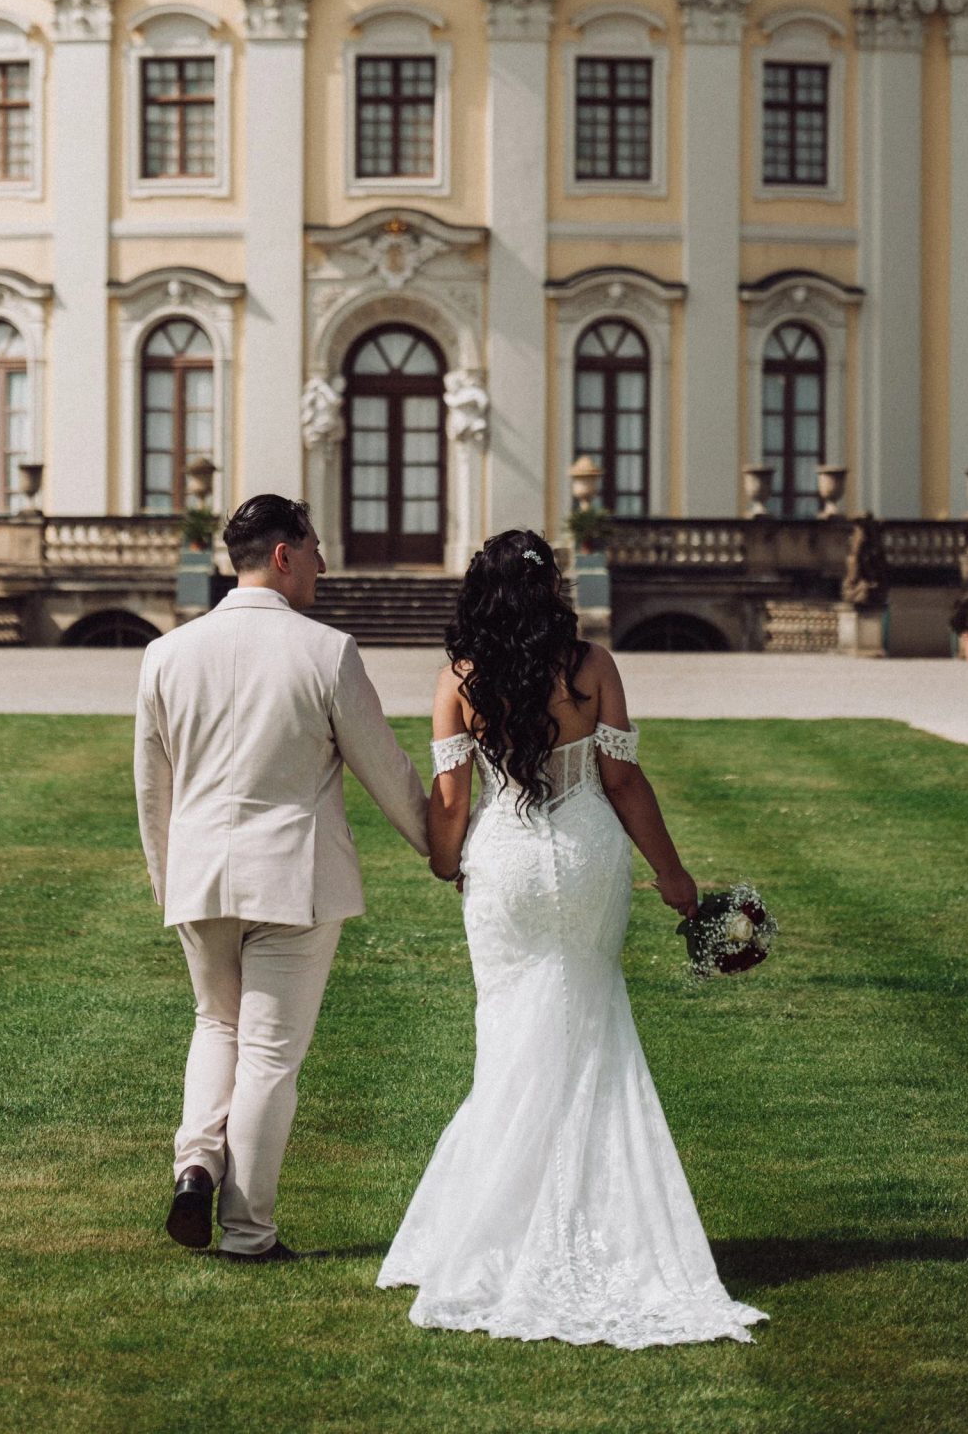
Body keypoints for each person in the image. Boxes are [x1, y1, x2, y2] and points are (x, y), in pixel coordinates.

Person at [378, 528, 767, 1347]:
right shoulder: (592, 667)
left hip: (507, 864)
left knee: (509, 1035)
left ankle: (498, 1228)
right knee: (591, 1029)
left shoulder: (459, 678)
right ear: (552, 590)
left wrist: (447, 863)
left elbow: (452, 803)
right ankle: (597, 1224)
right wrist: (675, 877)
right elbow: (621, 781)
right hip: (589, 856)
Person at [134, 492, 430, 1262]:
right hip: (293, 879)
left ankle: (196, 1165)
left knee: (215, 1025)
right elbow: (386, 770)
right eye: (315, 549)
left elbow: (152, 787)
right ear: (283, 555)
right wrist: (443, 848)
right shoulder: (326, 651)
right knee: (268, 1055)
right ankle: (247, 1231)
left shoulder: (166, 653)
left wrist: (169, 880)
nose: (324, 564)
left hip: (200, 875)